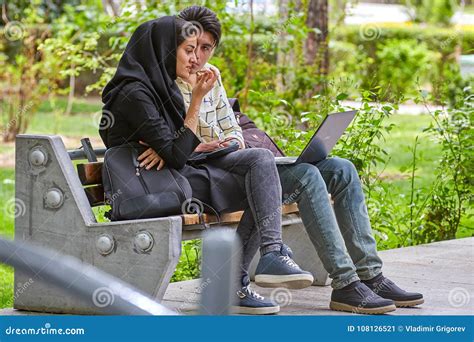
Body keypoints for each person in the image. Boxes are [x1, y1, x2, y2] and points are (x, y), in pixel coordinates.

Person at [177, 6, 424, 315]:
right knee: (306, 175)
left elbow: (234, 131)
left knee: (343, 169)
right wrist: (211, 140)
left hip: (247, 162)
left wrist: (227, 140)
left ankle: (371, 276)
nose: (198, 56)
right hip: (222, 176)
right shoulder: (169, 84)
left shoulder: (213, 77)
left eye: (206, 49)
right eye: (191, 47)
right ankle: (346, 285)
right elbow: (182, 146)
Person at [99, 16, 314, 315]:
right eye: (186, 50)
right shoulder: (134, 93)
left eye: (198, 50)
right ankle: (245, 276)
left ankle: (267, 256)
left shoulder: (158, 84)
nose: (194, 58)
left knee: (262, 168)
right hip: (159, 188)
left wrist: (179, 146)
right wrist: (195, 104)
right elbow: (175, 152)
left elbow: (177, 146)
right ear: (163, 49)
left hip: (179, 176)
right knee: (261, 178)